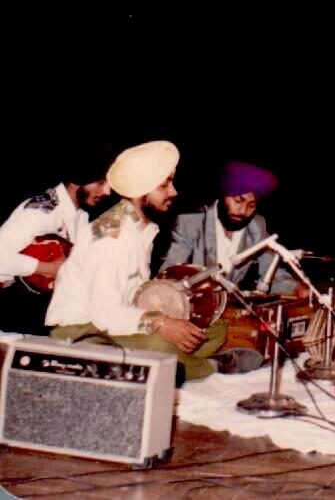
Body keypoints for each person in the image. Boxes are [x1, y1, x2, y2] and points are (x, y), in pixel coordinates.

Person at [45, 141, 240, 382]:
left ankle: (180, 363)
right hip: (82, 331)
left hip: (113, 323)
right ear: (141, 190)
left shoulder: (142, 228)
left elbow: (132, 298)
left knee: (214, 328)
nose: (173, 192)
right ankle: (211, 367)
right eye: (164, 185)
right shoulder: (110, 238)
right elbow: (104, 313)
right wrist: (161, 323)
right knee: (160, 344)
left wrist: (169, 317)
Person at [0, 147, 114, 334]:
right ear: (78, 180)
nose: (107, 191)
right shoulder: (42, 212)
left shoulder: (81, 217)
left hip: (36, 303)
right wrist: (49, 268)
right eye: (101, 183)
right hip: (11, 305)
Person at [161, 160, 307, 297]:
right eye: (238, 201)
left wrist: (297, 288)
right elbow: (170, 274)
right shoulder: (190, 223)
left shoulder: (256, 227)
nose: (243, 211)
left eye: (251, 205)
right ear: (223, 195)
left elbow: (271, 274)